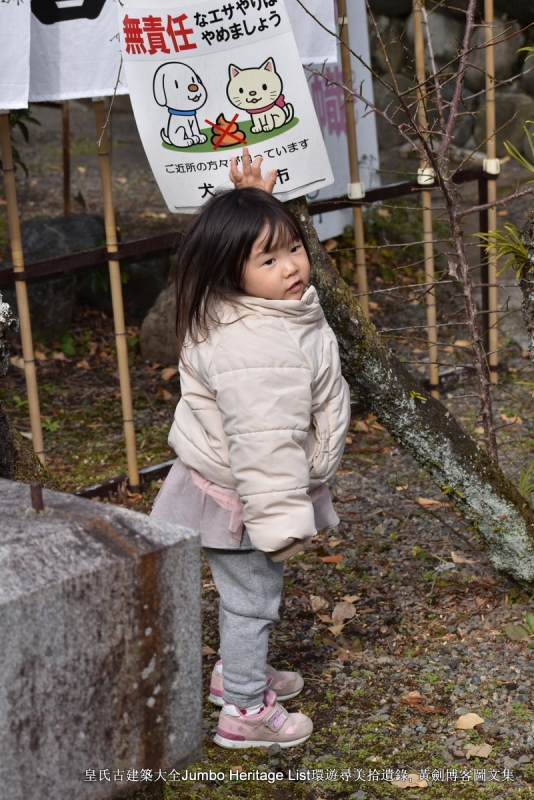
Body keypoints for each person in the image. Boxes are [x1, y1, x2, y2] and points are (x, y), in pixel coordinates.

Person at [151, 149, 351, 749]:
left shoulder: (253, 310)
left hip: (229, 488)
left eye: (293, 248)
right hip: (244, 498)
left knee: (246, 596)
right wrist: (282, 523)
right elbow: (265, 447)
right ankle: (242, 710)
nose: (291, 266)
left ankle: (234, 675)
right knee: (253, 602)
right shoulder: (260, 347)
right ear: (230, 270)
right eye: (269, 259)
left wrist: (256, 200)